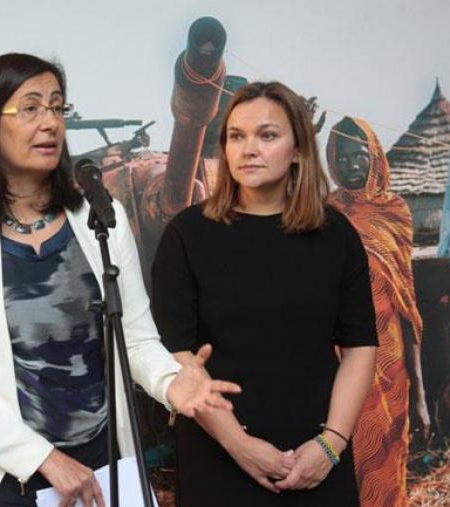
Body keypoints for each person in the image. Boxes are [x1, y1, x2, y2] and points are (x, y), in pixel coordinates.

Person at [0, 53, 240, 507]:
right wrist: (44, 458)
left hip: (106, 472)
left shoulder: (99, 219)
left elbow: (137, 340)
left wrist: (172, 382)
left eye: (56, 106)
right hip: (4, 486)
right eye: (30, 108)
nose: (49, 122)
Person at [151, 81, 378, 506]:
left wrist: (331, 444)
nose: (249, 149)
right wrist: (239, 445)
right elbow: (177, 354)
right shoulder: (187, 234)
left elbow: (360, 345)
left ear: (298, 149)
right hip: (217, 458)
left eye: (267, 135)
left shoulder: (337, 236)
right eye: (236, 136)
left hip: (317, 459)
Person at [327, 116, 428, 507]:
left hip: (391, 358)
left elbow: (408, 304)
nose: (354, 165)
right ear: (332, 161)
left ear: (375, 157)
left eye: (361, 155)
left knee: (388, 453)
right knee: (344, 447)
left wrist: (420, 391)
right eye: (344, 157)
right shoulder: (326, 214)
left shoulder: (396, 213)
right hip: (342, 355)